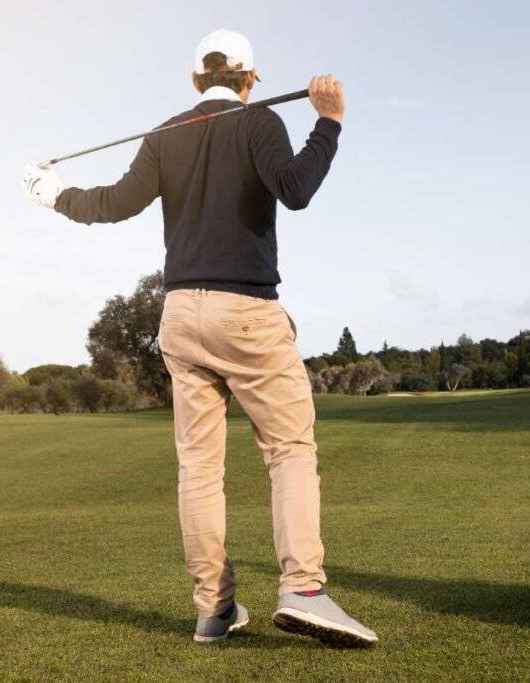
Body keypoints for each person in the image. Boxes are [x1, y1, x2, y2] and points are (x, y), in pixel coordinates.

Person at [22, 28, 377, 648]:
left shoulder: (167, 133)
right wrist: (329, 121)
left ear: (196, 81)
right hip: (247, 310)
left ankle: (214, 609)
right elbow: (295, 189)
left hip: (180, 316)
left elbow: (112, 203)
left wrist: (50, 194)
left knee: (199, 469)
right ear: (250, 78)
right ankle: (304, 589)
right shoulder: (261, 121)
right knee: (290, 449)